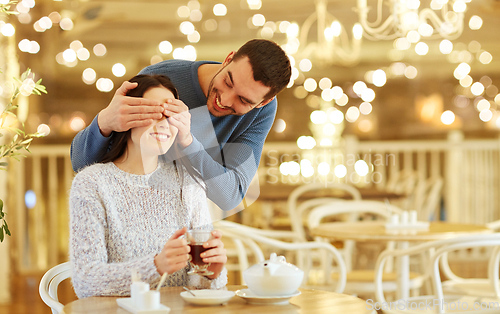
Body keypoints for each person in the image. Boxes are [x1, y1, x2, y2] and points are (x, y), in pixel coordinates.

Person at [70, 39, 292, 211]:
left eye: (243, 100)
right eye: (227, 82)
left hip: (182, 222)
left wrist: (187, 143)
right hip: (126, 211)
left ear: (264, 102)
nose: (225, 100)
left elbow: (230, 196)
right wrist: (104, 123)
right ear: (228, 59)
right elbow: (82, 165)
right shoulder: (160, 80)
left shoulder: (260, 112)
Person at [69, 74, 228, 299]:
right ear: (125, 117)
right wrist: (155, 266)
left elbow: (199, 286)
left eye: (171, 115)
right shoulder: (92, 184)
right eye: (153, 113)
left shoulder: (189, 182)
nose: (163, 123)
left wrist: (212, 274)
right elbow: (86, 280)